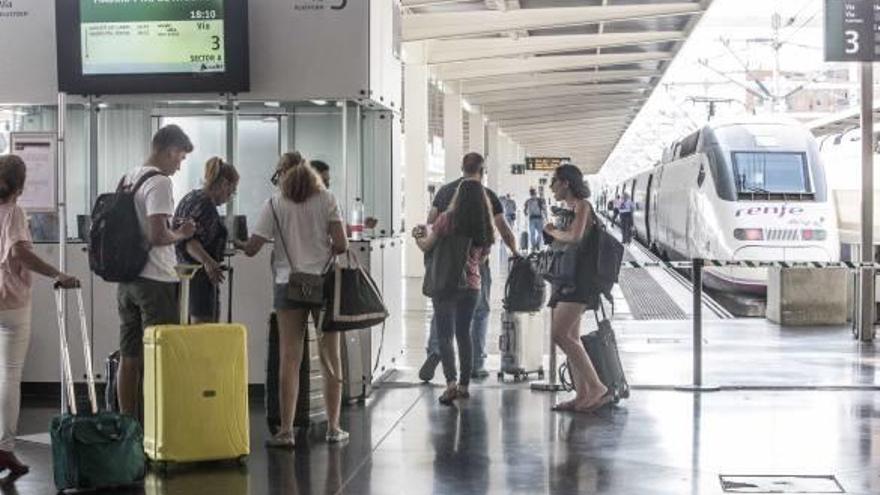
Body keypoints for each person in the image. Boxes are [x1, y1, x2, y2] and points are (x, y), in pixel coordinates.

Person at [236, 153, 349, 448]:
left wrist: (237, 242)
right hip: (322, 284)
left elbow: (252, 247)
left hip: (288, 285)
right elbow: (342, 244)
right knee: (330, 357)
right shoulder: (327, 199)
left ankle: (286, 431)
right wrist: (320, 252)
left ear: (282, 176)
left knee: (289, 358)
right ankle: (334, 428)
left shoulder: (274, 204)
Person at [0, 155, 78, 476]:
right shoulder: (14, 212)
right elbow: (20, 252)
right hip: (10, 300)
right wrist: (58, 273)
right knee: (9, 375)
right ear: (21, 184)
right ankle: (3, 449)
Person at [418, 152, 519, 382]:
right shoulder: (488, 195)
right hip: (474, 267)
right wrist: (515, 252)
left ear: (462, 167)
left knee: (443, 316)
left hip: (444, 266)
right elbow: (502, 229)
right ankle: (476, 363)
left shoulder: (445, 191)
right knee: (479, 312)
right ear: (482, 171)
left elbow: (430, 222)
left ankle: (436, 352)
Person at [117, 125, 196, 417]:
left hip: (127, 280)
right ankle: (157, 423)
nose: (179, 165)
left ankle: (128, 422)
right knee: (158, 356)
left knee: (129, 355)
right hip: (155, 280)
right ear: (169, 150)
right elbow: (158, 236)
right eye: (180, 158)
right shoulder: (159, 182)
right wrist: (183, 233)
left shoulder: (129, 177)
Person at [413, 180, 495, 405]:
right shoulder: (485, 225)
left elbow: (427, 245)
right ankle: (464, 386)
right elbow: (483, 258)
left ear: (458, 196)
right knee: (464, 335)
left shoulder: (447, 219)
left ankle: (450, 384)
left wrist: (417, 236)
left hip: (446, 283)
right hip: (472, 286)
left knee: (445, 336)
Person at [544, 164, 610, 413]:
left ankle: (596, 387)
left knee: (560, 334)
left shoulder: (582, 205)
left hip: (580, 281)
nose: (552, 187)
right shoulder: (570, 208)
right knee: (570, 336)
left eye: (555, 181)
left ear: (566, 183)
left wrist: (552, 231)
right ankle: (582, 394)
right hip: (568, 278)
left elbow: (575, 237)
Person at [174, 157, 239, 323]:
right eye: (232, 191)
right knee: (203, 332)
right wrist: (209, 262)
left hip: (184, 276)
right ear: (224, 184)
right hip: (199, 279)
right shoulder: (205, 205)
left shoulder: (192, 197)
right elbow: (189, 242)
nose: (230, 196)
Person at [523, 188, 547, 252]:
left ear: (536, 193)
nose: (533, 194)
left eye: (534, 193)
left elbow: (543, 208)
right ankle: (534, 246)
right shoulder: (528, 201)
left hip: (539, 218)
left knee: (540, 233)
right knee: (532, 233)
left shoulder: (539, 200)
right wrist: (525, 212)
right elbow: (525, 209)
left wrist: (545, 217)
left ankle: (537, 244)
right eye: (532, 193)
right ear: (530, 194)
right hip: (532, 219)